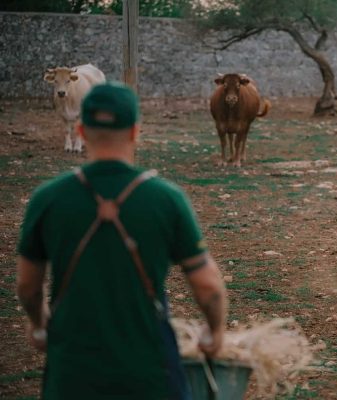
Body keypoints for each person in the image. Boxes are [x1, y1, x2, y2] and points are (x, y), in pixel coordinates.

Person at [16, 82, 227, 400]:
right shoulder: (166, 199)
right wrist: (214, 332)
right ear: (135, 132)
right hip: (150, 371)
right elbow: (208, 287)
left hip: (72, 371)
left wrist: (39, 325)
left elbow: (28, 287)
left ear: (82, 130)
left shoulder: (48, 198)